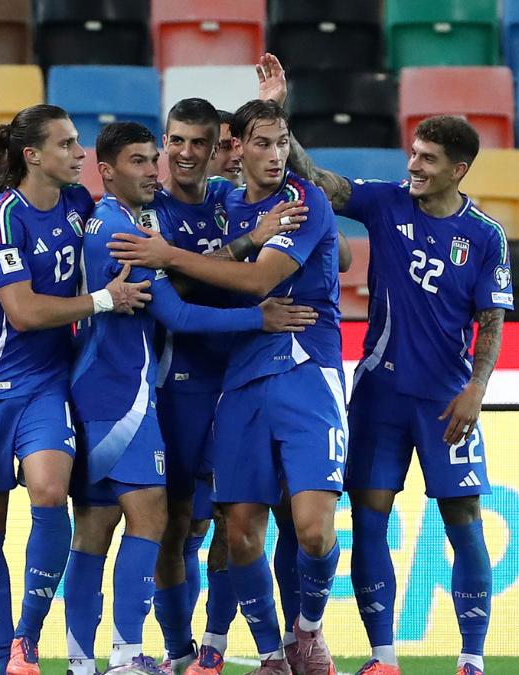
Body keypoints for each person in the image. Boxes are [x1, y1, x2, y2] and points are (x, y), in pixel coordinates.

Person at [63, 121, 316, 675]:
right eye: (138, 160)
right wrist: (258, 318)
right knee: (152, 520)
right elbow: (176, 313)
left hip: (104, 387)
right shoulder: (121, 231)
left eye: (150, 158)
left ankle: (84, 661)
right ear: (106, 171)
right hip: (123, 396)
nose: (152, 169)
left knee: (99, 526)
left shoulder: (118, 219)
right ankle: (128, 654)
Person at [113, 99, 346, 675]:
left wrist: (316, 222)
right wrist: (240, 255)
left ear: (222, 149)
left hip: (259, 371)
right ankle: (183, 650)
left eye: (201, 142)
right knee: (183, 524)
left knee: (263, 524)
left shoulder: (228, 199)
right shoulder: (151, 214)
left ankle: (246, 642)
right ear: (164, 145)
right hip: (184, 381)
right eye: (177, 141)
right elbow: (177, 297)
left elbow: (338, 255)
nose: (187, 153)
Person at [287, 115, 510, 675]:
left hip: (447, 399)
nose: (413, 165)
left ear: (458, 170)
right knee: (368, 521)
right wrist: (280, 120)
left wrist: (477, 388)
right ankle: (383, 658)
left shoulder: (485, 236)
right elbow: (317, 181)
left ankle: (472, 659)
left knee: (464, 520)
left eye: (428, 158)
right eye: (413, 153)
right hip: (379, 395)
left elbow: (491, 320)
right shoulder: (387, 201)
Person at [0, 104, 149, 675]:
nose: (79, 153)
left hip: (48, 383)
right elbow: (23, 312)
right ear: (32, 155)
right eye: (66, 145)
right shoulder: (1, 220)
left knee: (48, 491)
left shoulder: (79, 204)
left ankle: (27, 641)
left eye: (78, 143)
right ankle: (5, 661)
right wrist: (105, 300)